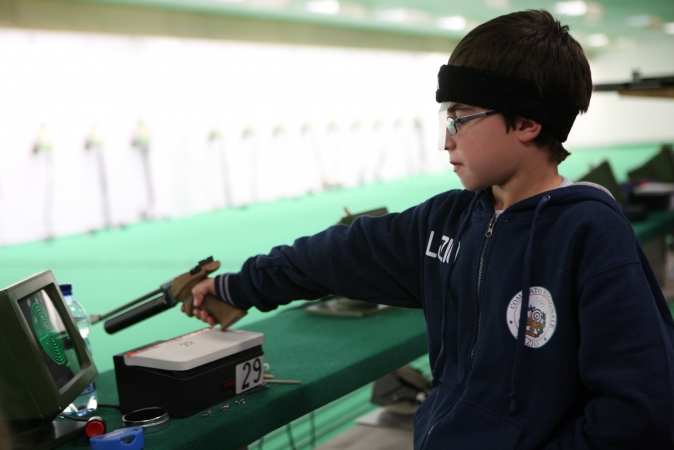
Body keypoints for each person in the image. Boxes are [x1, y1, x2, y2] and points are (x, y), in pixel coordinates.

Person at [187, 10, 674, 449]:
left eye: (461, 118)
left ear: (526, 123)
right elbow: (337, 254)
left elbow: (641, 411)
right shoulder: (447, 221)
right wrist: (236, 286)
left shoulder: (589, 232)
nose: (446, 140)